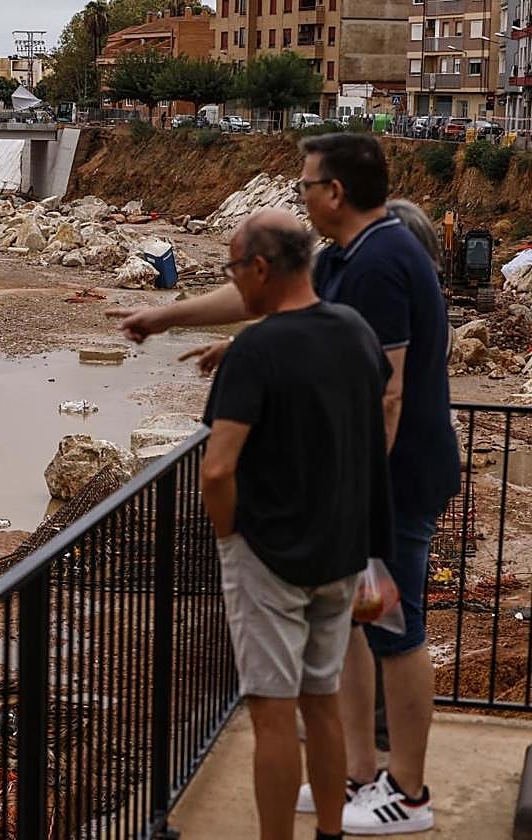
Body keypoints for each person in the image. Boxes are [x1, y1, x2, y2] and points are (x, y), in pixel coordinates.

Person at [107, 133, 458, 835]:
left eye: (305, 184)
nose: (300, 194)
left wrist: (358, 511)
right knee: (347, 651)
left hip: (394, 484)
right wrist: (175, 318)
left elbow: (384, 397)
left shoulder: (381, 262)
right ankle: (357, 778)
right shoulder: (347, 256)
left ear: (334, 192)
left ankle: (408, 793)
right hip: (353, 505)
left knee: (396, 633)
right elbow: (282, 309)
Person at [201, 209, 392, 840]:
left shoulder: (254, 350)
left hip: (270, 557)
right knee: (324, 705)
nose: (235, 283)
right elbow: (366, 437)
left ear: (259, 268)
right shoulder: (355, 331)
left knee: (273, 717)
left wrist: (230, 542)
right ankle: (331, 834)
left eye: (233, 269)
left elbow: (217, 469)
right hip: (339, 552)